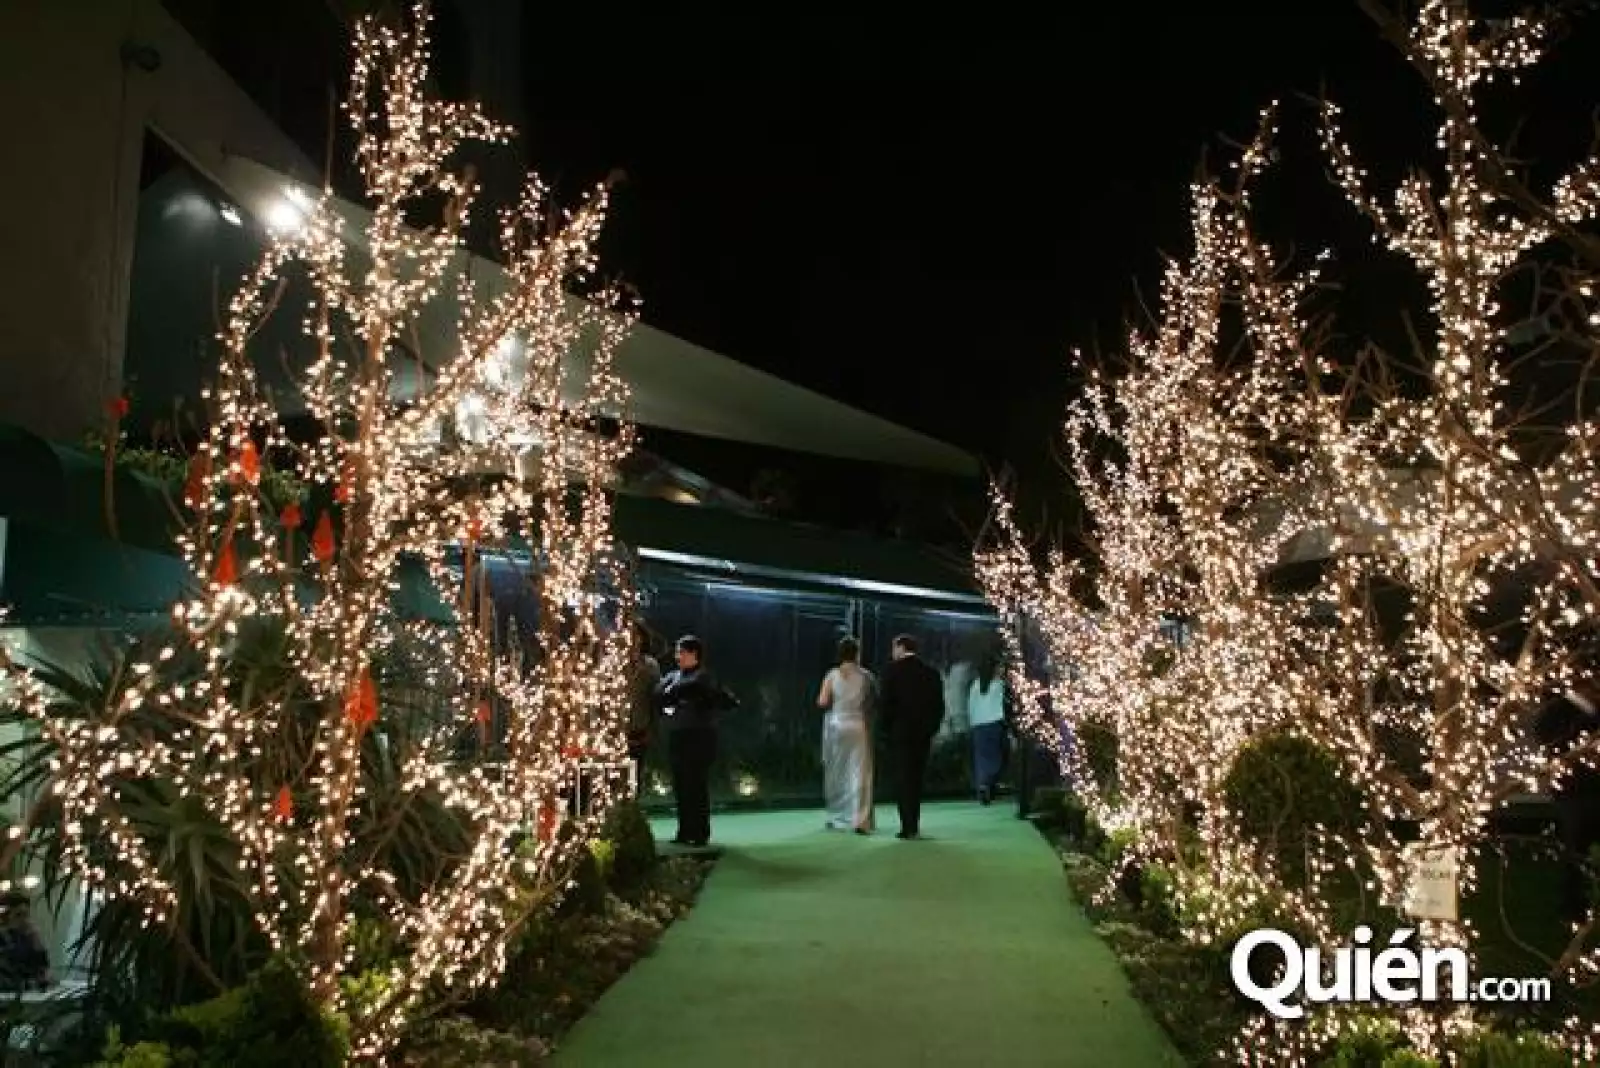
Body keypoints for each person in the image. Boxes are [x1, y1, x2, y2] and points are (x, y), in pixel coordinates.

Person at [655, 635, 738, 847]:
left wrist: (677, 693)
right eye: (677, 652)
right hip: (678, 735)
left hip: (699, 737)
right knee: (681, 784)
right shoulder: (673, 676)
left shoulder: (704, 677)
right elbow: (659, 693)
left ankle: (700, 832)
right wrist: (672, 693)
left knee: (696, 784)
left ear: (694, 654)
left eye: (681, 652)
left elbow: (716, 696)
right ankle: (684, 830)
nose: (677, 657)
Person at [879, 634, 945, 839]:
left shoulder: (891, 671)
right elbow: (938, 706)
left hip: (900, 733)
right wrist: (931, 729)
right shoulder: (931, 673)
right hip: (923, 734)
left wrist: (886, 730)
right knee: (917, 778)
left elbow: (886, 705)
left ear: (900, 647)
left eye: (894, 648)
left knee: (903, 779)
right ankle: (914, 822)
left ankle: (908, 825)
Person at [817, 635, 876, 834]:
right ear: (857, 653)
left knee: (837, 772)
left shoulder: (832, 675)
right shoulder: (866, 676)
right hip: (858, 725)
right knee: (860, 773)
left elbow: (822, 702)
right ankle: (860, 819)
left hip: (836, 725)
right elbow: (872, 701)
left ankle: (837, 817)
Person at [968, 654, 1009, 805]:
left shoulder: (975, 684)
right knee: (997, 756)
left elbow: (971, 706)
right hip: (995, 723)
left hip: (978, 725)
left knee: (981, 757)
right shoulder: (999, 684)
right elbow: (1004, 705)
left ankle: (982, 785)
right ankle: (990, 783)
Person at [626, 622, 662, 777]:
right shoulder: (611, 663)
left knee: (634, 775)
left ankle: (632, 799)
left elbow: (655, 698)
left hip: (638, 728)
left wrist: (652, 729)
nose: (632, 639)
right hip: (613, 731)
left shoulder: (650, 666)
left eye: (635, 635)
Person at [0, 893, 50, 991]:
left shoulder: (28, 937)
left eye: (26, 915)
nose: (24, 920)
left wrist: (36, 940)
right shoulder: (3, 939)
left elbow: (43, 972)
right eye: (18, 915)